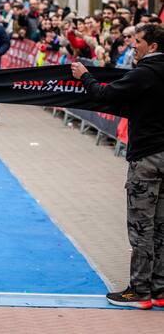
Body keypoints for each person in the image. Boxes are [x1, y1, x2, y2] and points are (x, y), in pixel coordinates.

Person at [71, 23, 164, 310]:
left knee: (142, 227)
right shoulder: (146, 73)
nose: (133, 46)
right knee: (161, 227)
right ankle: (160, 289)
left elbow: (105, 96)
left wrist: (85, 76)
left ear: (153, 46)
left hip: (147, 157)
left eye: (138, 41)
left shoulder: (145, 73)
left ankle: (140, 291)